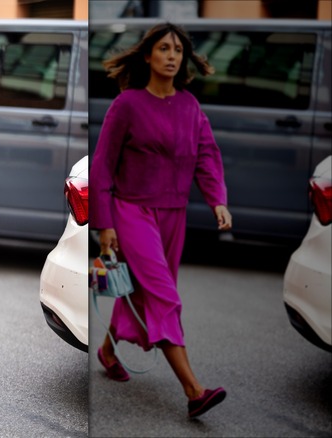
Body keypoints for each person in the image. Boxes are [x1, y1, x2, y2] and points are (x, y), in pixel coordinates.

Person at [90, 22, 233, 419]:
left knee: (141, 292)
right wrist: (106, 226)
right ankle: (193, 390)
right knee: (164, 296)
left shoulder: (189, 105)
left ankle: (107, 350)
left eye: (178, 50)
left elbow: (206, 154)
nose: (172, 56)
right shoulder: (128, 104)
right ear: (148, 55)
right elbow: (103, 167)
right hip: (132, 212)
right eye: (164, 49)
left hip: (174, 214)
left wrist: (217, 199)